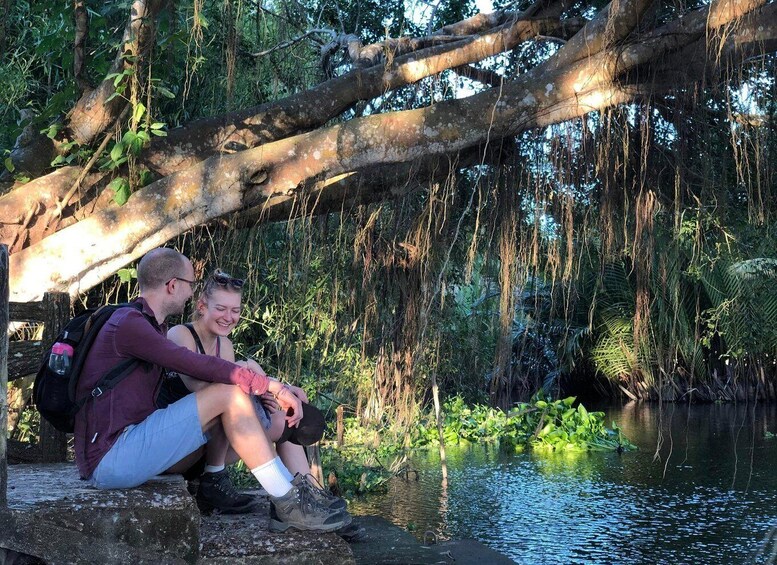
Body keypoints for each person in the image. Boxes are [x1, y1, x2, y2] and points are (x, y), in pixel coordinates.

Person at [73, 248, 348, 533]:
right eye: (190, 285)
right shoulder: (131, 324)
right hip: (112, 456)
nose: (191, 293)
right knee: (228, 394)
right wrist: (271, 385)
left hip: (131, 443)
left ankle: (292, 499)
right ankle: (287, 501)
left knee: (237, 397)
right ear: (173, 285)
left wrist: (270, 385)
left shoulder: (147, 324)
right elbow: (194, 365)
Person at [164, 269, 364, 540]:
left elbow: (235, 378)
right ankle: (274, 495)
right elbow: (201, 388)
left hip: (214, 442)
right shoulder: (180, 334)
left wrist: (274, 389)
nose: (228, 317)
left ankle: (308, 496)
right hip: (183, 447)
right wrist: (254, 376)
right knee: (237, 392)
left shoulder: (225, 343)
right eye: (221, 308)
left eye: (235, 310)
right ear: (201, 306)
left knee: (290, 420)